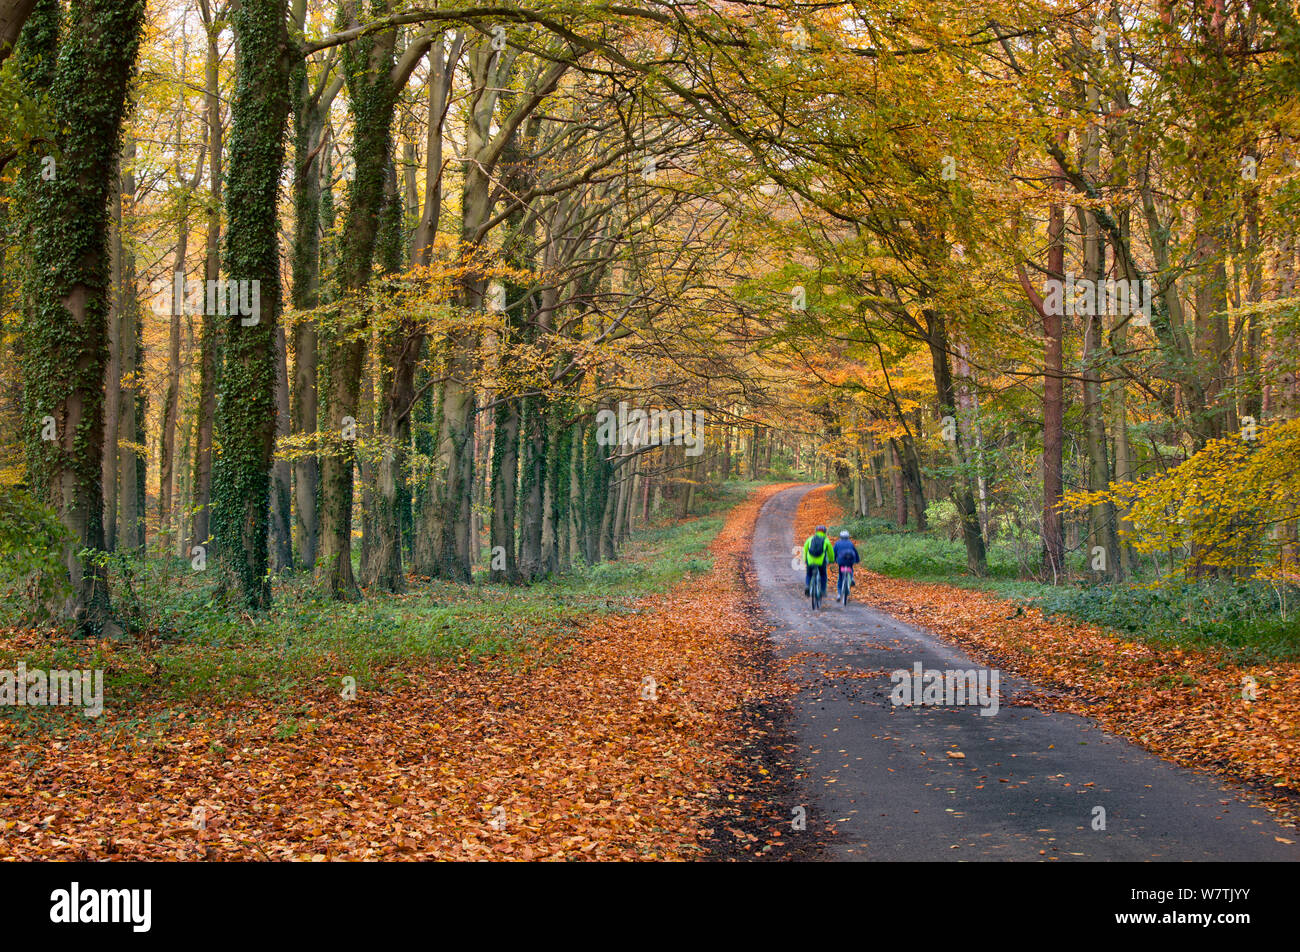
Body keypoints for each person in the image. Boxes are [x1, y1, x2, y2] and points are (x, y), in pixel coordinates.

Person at [803, 525, 833, 597]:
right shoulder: (826, 540)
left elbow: (805, 549)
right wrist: (831, 560)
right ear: (825, 532)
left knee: (809, 574)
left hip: (810, 560)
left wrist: (805, 560)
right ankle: (823, 590)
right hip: (821, 561)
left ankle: (807, 585)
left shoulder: (810, 539)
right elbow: (830, 552)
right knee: (823, 575)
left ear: (816, 531)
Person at [833, 529, 860, 602]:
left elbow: (834, 553)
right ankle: (851, 579)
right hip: (850, 560)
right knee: (850, 568)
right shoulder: (850, 543)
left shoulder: (837, 543)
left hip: (841, 561)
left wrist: (833, 560)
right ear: (848, 537)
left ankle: (839, 594)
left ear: (840, 537)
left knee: (840, 578)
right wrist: (857, 560)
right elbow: (855, 552)